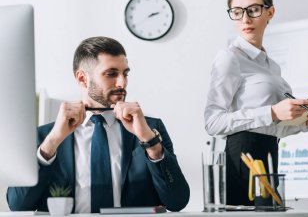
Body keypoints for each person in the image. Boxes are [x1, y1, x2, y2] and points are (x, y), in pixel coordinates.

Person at [7, 36, 190, 213]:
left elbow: (177, 201)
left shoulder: (151, 130)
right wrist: (52, 142)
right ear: (82, 79)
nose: (122, 83)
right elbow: (18, 205)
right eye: (111, 74)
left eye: (125, 74)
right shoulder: (44, 137)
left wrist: (149, 142)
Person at [204, 0, 308, 206]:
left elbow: (270, 127)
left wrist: (307, 121)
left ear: (270, 12)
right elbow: (213, 122)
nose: (245, 19)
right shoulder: (229, 58)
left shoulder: (271, 66)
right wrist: (272, 111)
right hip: (241, 158)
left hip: (269, 153)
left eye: (253, 10)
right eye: (237, 12)